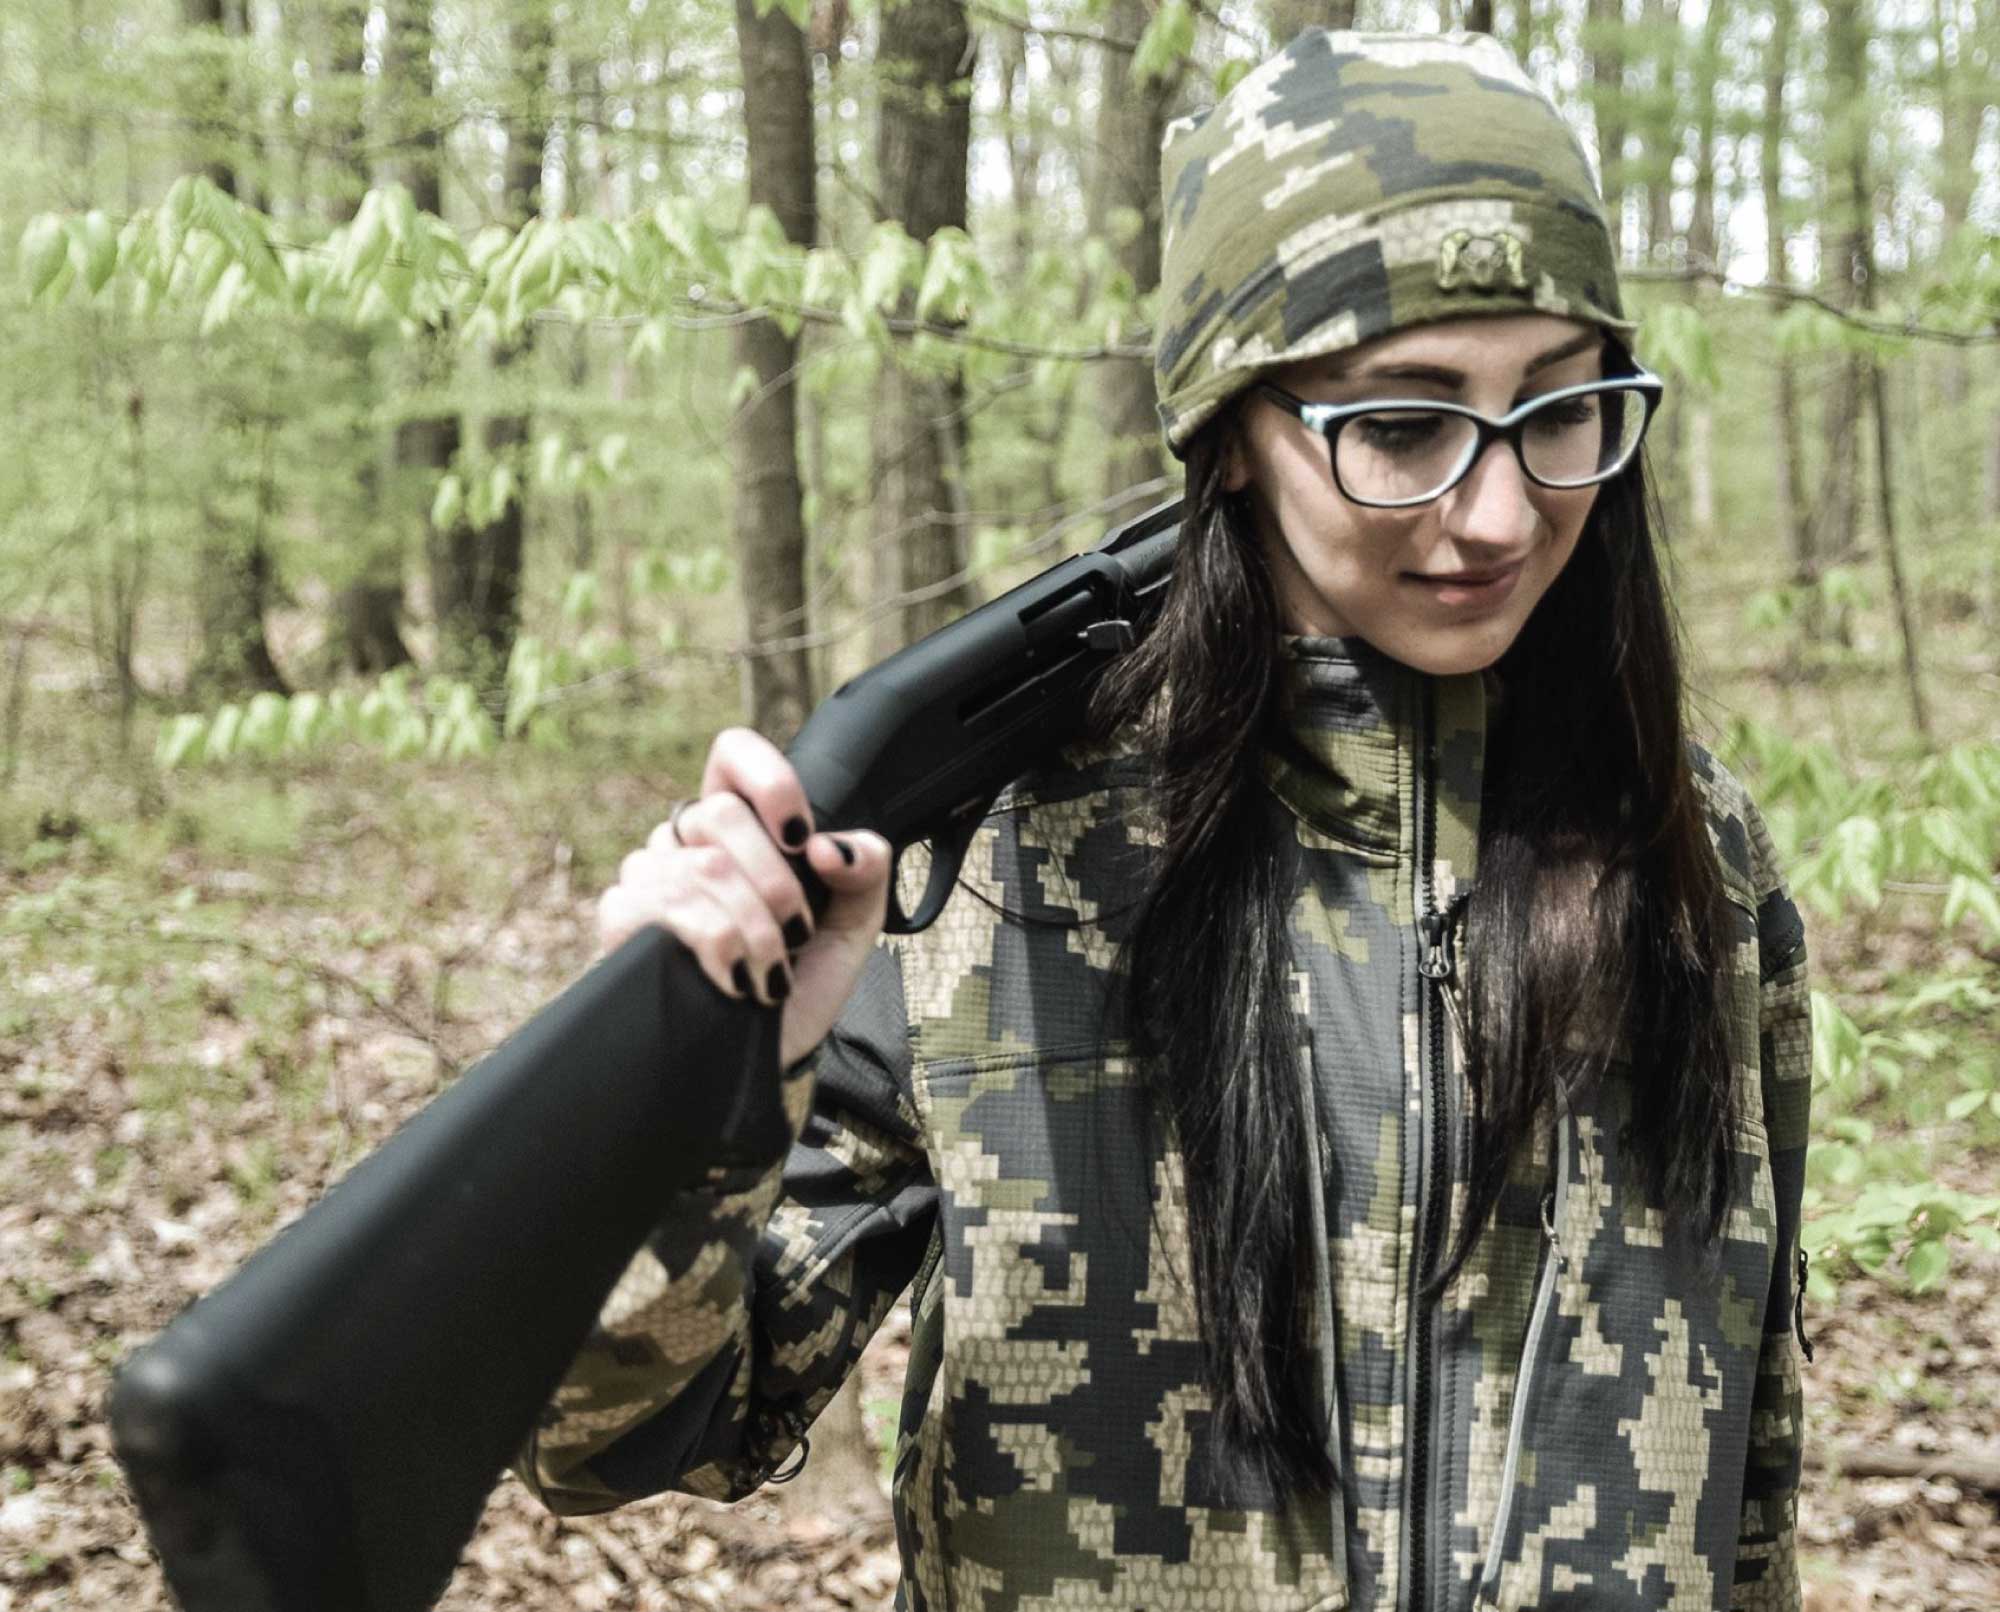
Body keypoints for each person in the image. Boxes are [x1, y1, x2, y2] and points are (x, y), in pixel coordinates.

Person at [519, 30, 1812, 1612]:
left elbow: (1751, 1480)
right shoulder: (990, 865)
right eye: (1402, 425)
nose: (1499, 512)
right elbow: (614, 1440)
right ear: (1232, 438)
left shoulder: (1695, 859)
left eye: (1560, 409)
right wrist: (701, 1092)